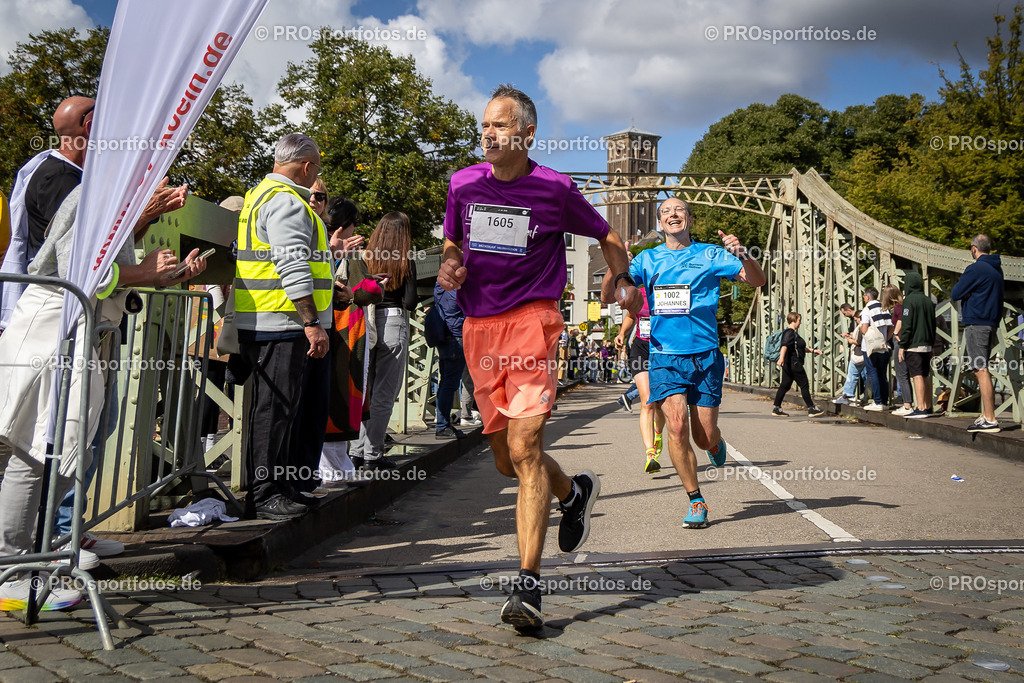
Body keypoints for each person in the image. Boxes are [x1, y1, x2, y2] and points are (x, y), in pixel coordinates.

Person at [437, 84, 638, 631]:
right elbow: (454, 242)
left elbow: (609, 233)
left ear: (527, 134)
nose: (488, 133)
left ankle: (527, 587)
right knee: (506, 460)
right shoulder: (462, 183)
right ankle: (574, 494)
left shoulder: (555, 189)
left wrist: (619, 279)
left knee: (527, 446)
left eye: (500, 125)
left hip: (532, 321)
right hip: (479, 326)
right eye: (484, 124)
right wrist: (450, 266)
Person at [0, 180, 205, 610]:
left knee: (63, 451)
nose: (166, 184)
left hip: (78, 335)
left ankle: (43, 548)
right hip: (55, 333)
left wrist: (165, 274)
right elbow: (81, 269)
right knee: (35, 452)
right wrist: (145, 270)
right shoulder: (96, 192)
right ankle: (12, 568)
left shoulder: (112, 197)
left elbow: (109, 267)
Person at [610, 197, 765, 530]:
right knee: (676, 428)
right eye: (665, 211)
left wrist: (744, 254)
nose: (672, 214)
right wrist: (617, 263)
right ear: (660, 223)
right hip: (664, 357)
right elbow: (613, 295)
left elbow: (757, 281)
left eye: (679, 210)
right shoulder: (647, 259)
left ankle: (715, 442)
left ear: (690, 219)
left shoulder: (710, 254)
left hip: (706, 354)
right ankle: (696, 500)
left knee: (702, 436)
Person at [234, 133, 333, 520]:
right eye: (317, 169)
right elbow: (292, 266)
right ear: (307, 167)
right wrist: (312, 322)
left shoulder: (259, 195)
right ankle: (264, 493)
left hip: (268, 318)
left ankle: (280, 486)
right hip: (283, 321)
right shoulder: (288, 202)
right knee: (274, 409)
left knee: (277, 408)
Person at [1, 97, 95, 329]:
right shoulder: (60, 179)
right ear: (91, 126)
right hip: (53, 308)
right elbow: (74, 252)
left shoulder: (59, 172)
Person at [349, 212, 418, 469]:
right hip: (392, 322)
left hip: (365, 322)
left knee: (365, 391)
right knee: (384, 394)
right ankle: (373, 455)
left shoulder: (365, 256)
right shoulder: (405, 259)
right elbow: (410, 302)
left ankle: (355, 451)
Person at [319, 198, 379, 483]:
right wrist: (372, 285)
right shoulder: (347, 255)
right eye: (354, 224)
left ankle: (333, 467)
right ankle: (334, 469)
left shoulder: (319, 244)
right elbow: (367, 292)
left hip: (329, 332)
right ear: (344, 227)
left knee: (332, 400)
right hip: (344, 334)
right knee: (339, 400)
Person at [951, 234, 1004, 433]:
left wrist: (968, 293)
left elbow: (956, 293)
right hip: (991, 323)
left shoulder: (975, 269)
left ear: (974, 249)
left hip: (977, 324)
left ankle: (990, 417)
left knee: (980, 369)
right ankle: (985, 415)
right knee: (982, 367)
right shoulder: (996, 270)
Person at [614, 289, 666, 473]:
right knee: (647, 401)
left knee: (659, 403)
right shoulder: (639, 293)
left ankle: (658, 433)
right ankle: (650, 454)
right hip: (641, 349)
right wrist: (622, 333)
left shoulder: (670, 291)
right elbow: (630, 314)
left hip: (664, 349)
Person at [899, 271, 938, 418]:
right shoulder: (928, 301)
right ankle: (927, 407)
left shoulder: (909, 301)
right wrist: (932, 343)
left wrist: (902, 345)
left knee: (916, 375)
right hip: (927, 344)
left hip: (913, 344)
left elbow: (907, 325)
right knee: (925, 375)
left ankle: (920, 407)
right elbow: (933, 324)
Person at [772, 313, 825, 417]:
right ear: (794, 320)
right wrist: (781, 358)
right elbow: (784, 345)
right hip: (794, 364)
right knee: (804, 384)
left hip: (789, 364)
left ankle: (776, 408)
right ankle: (812, 408)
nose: (800, 322)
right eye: (799, 320)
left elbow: (799, 348)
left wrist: (814, 351)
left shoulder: (792, 334)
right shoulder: (790, 332)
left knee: (785, 385)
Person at [433, 282, 468, 439]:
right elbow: (468, 308)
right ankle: (442, 426)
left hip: (445, 336)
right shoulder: (457, 290)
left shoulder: (440, 286)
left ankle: (443, 423)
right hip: (456, 337)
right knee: (450, 384)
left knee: (445, 382)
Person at [860, 286, 894, 412]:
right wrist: (885, 339)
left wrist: (864, 332)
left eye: (864, 296)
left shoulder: (867, 310)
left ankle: (877, 401)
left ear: (867, 297)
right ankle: (884, 402)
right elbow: (891, 328)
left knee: (873, 373)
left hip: (870, 347)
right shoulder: (884, 308)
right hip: (884, 347)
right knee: (882, 374)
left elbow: (864, 329)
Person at [883, 285, 914, 416]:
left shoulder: (899, 307)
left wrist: (895, 333)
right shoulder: (904, 304)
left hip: (899, 341)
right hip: (904, 340)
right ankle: (908, 403)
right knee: (905, 374)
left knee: (901, 373)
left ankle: (907, 405)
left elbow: (901, 320)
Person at [833, 303, 867, 405]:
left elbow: (858, 341)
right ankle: (866, 395)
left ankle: (847, 395)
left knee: (853, 375)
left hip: (859, 354)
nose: (844, 316)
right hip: (864, 353)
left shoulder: (861, 326)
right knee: (864, 375)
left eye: (857, 320)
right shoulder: (865, 325)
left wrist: (850, 339)